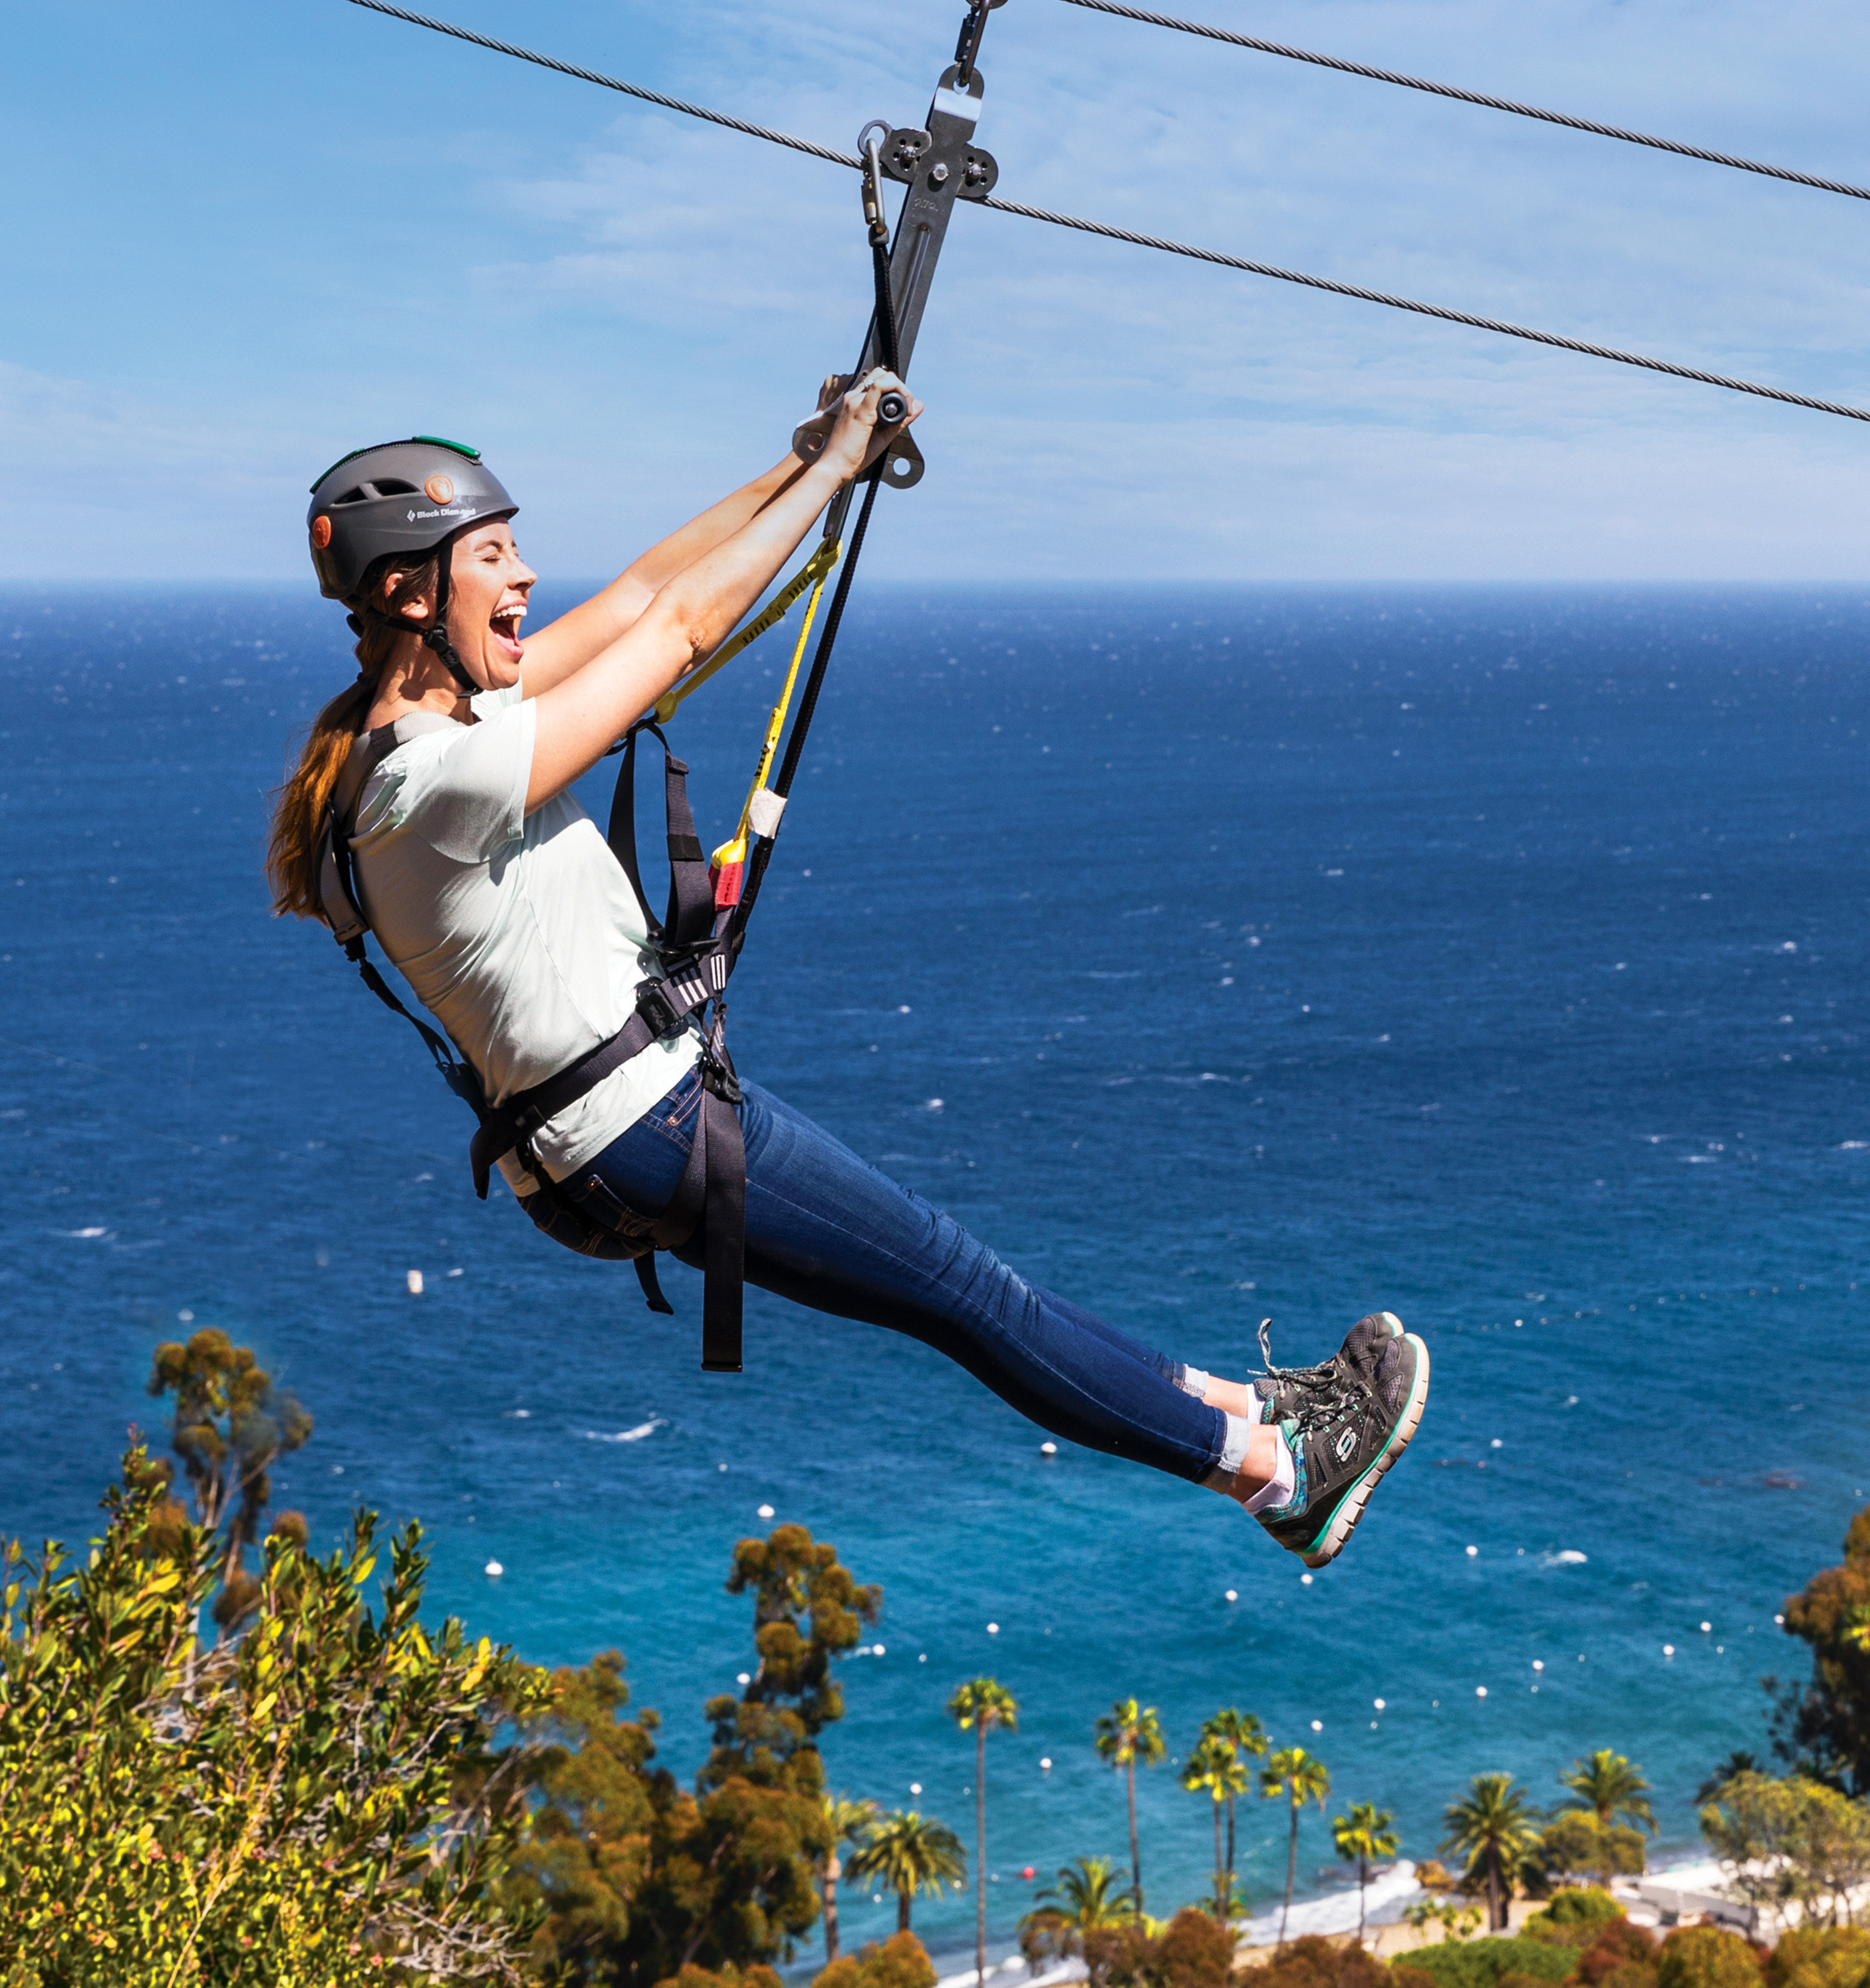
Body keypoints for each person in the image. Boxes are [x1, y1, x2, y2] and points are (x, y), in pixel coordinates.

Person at [263, 379, 1429, 1566]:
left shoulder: (407, 740)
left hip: (608, 1144)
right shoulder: (434, 784)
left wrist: (808, 459)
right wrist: (833, 476)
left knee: (970, 1297)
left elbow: (639, 595)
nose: (522, 581)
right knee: (977, 1300)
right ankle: (1278, 1475)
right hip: (646, 1125)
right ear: (411, 593)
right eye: (494, 557)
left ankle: (1263, 1415)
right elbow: (676, 631)